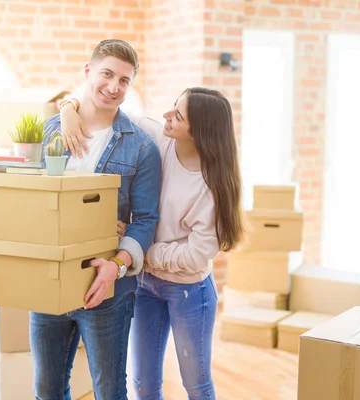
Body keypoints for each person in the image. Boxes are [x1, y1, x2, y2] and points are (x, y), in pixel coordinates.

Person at [61, 87, 245, 400]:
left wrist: (137, 248)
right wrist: (67, 108)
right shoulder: (159, 138)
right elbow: (109, 107)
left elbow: (196, 255)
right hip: (146, 285)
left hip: (189, 291)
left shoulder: (213, 188)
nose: (166, 116)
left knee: (196, 385)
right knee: (144, 385)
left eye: (178, 114)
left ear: (199, 131)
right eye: (173, 106)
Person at [30, 39, 162, 400]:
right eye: (107, 74)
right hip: (49, 283)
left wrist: (116, 266)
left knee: (109, 392)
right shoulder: (49, 131)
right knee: (47, 390)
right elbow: (31, 200)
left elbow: (146, 220)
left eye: (124, 81)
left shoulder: (142, 147)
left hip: (108, 291)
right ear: (88, 72)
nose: (114, 87)